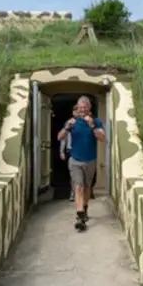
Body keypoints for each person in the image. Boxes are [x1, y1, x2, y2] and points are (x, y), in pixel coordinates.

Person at [57, 95, 105, 231]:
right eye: (80, 108)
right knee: (78, 187)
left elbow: (102, 138)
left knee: (87, 187)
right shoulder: (72, 122)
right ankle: (80, 216)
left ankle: (85, 208)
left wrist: (93, 125)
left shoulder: (96, 121)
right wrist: (66, 127)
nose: (82, 110)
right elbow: (59, 137)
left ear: (89, 108)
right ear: (77, 108)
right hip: (75, 160)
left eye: (84, 107)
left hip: (90, 160)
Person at [59, 104, 80, 201]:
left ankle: (80, 193)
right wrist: (61, 151)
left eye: (79, 110)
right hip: (71, 151)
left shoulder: (86, 122)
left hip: (82, 150)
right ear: (73, 112)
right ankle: (73, 193)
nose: (77, 112)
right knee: (73, 174)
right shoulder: (69, 123)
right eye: (75, 111)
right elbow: (63, 138)